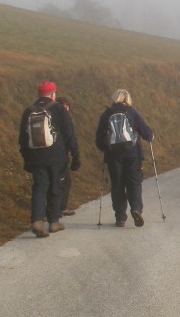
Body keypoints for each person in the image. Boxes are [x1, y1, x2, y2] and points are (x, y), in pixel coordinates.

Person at [18, 81, 81, 237]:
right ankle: (53, 222)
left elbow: (23, 139)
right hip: (57, 156)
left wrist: (27, 159)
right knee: (56, 186)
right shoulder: (58, 109)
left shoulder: (28, 111)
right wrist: (75, 155)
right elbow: (69, 134)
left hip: (36, 157)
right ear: (53, 94)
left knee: (39, 187)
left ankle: (37, 221)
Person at [95, 89, 154, 227]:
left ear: (114, 98)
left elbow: (99, 137)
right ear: (127, 99)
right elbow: (145, 131)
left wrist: (103, 148)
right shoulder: (132, 112)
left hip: (113, 155)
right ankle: (136, 209)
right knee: (134, 182)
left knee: (117, 185)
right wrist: (150, 136)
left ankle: (120, 217)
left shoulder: (107, 114)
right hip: (133, 154)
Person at [48, 95, 77, 217]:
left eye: (67, 107)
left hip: (51, 153)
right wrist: (75, 152)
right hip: (59, 154)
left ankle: (56, 208)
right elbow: (69, 136)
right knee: (61, 182)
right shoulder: (62, 119)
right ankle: (59, 209)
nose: (66, 109)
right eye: (64, 107)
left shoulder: (51, 117)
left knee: (58, 182)